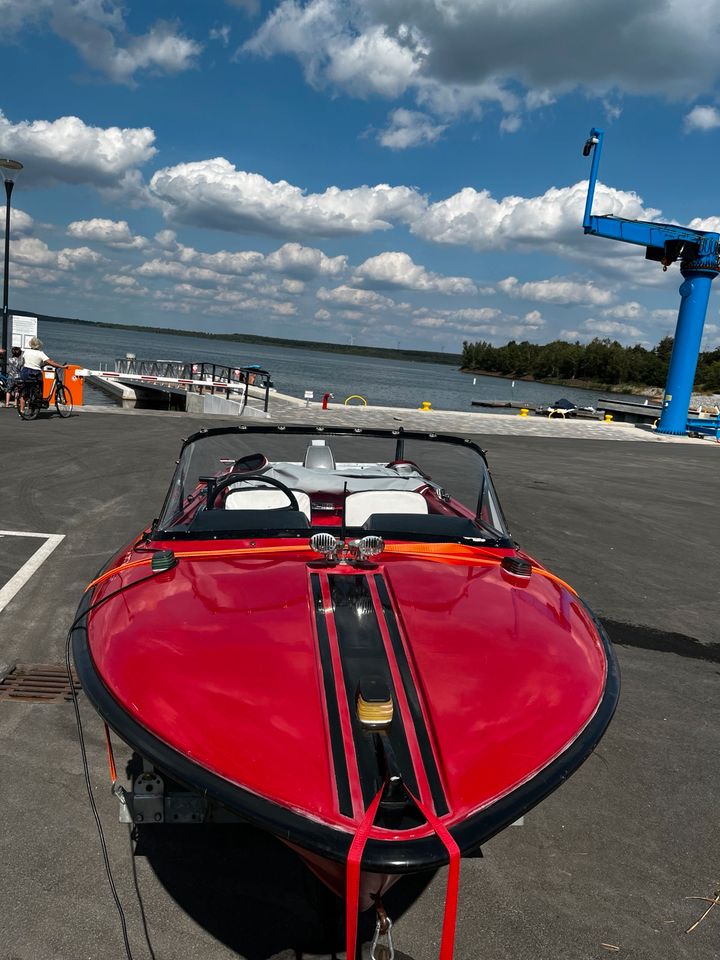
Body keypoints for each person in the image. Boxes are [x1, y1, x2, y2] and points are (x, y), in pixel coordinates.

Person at [18, 337, 64, 416]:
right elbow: (50, 361)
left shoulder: (26, 352)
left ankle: (21, 411)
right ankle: (35, 408)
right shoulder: (40, 353)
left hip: (25, 372)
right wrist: (62, 366)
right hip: (35, 373)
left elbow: (22, 362)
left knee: (24, 392)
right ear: (39, 345)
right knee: (39, 390)